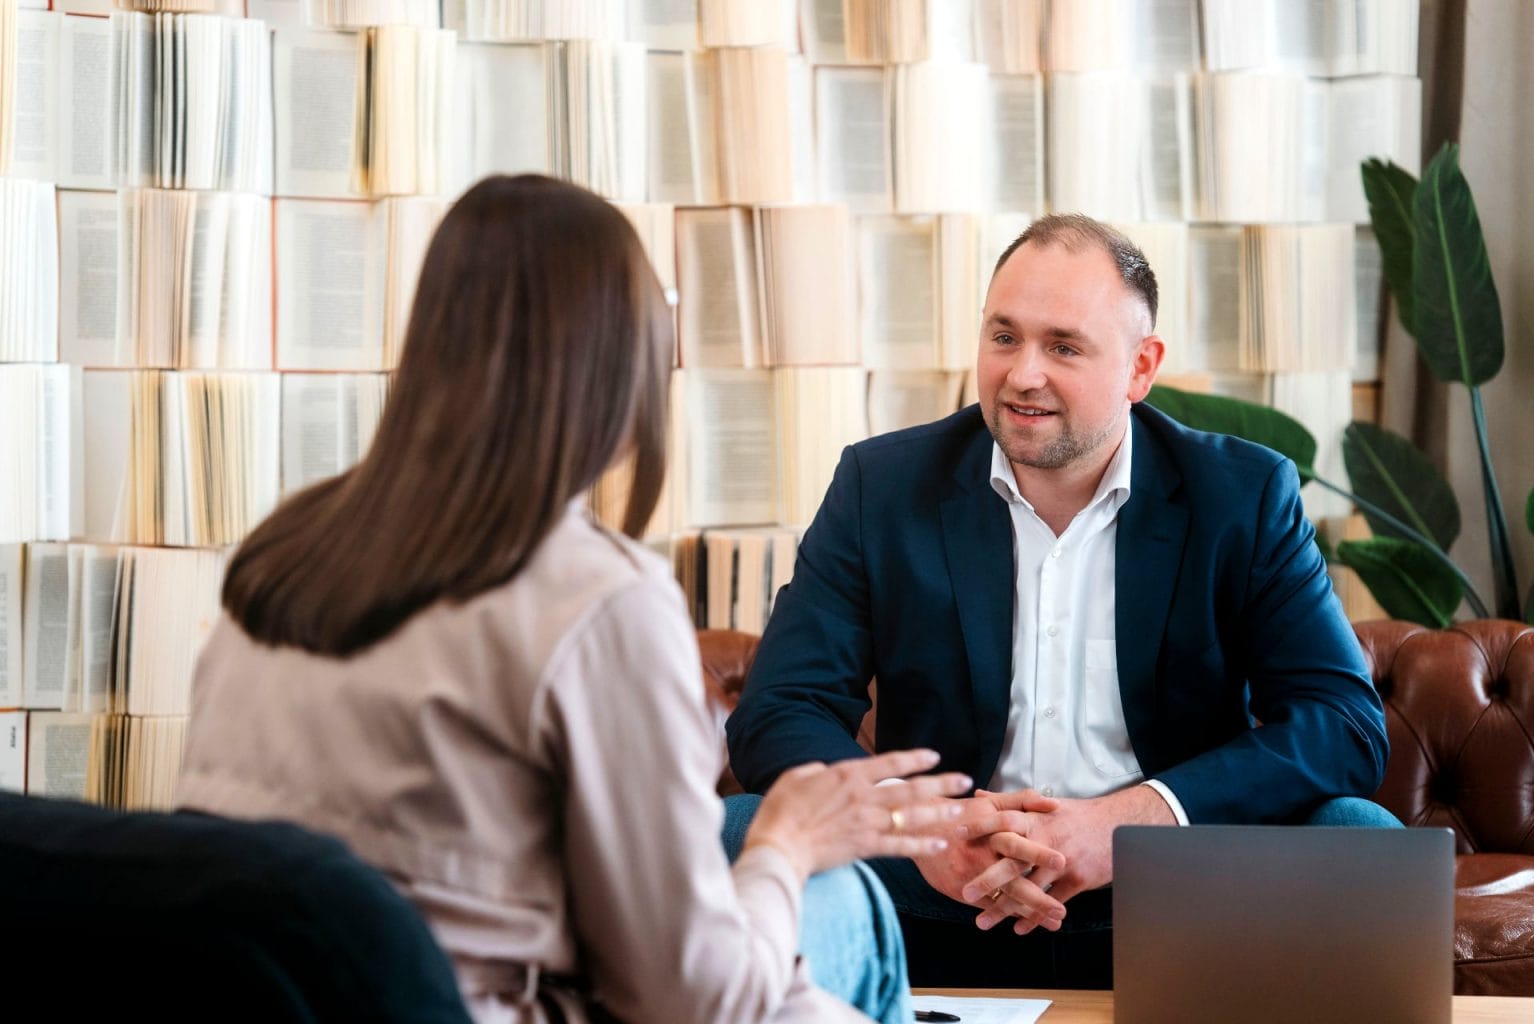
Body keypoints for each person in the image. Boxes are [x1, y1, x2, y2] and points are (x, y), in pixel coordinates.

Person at [175, 174, 975, 1024]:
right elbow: (691, 1000)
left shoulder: (284, 548)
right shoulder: (598, 595)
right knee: (841, 906)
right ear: (620, 364)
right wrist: (787, 842)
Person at [725, 213, 1394, 988]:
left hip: (1172, 889)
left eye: (1064, 346)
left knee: (1359, 837)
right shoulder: (883, 487)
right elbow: (779, 710)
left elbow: (1343, 722)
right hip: (940, 884)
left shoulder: (1241, 496)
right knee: (733, 832)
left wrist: (1129, 822)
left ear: (1141, 368)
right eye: (1003, 336)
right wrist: (923, 825)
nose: (1022, 374)